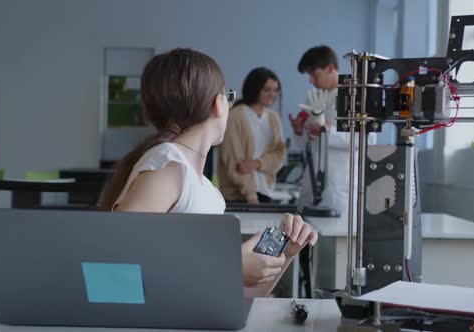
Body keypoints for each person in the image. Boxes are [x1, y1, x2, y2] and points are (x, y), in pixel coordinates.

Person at [98, 49, 317, 297]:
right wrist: (230, 265)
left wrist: (285, 253)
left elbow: (240, 296)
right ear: (217, 103)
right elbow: (114, 271)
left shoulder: (206, 190)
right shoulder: (169, 166)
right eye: (228, 95)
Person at [289, 45, 376, 217]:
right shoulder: (314, 98)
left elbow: (366, 140)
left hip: (339, 186)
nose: (311, 81)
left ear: (330, 68)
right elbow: (305, 144)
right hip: (312, 182)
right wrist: (300, 131)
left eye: (315, 75)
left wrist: (328, 132)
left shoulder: (354, 96)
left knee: (337, 239)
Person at [218, 67, 285, 204]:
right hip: (238, 197)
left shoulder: (273, 118)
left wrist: (259, 163)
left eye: (275, 90)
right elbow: (233, 160)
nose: (272, 94)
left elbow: (279, 154)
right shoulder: (235, 116)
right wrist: (250, 194)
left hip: (265, 192)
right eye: (267, 90)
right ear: (255, 89)